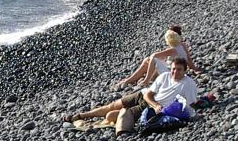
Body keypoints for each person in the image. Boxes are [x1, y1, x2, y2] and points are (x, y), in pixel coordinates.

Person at [63, 57, 198, 134]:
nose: (175, 72)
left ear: (185, 71)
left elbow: (190, 105)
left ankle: (119, 129)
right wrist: (156, 104)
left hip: (148, 109)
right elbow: (148, 94)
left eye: (179, 69)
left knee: (112, 115)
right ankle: (80, 116)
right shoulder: (164, 76)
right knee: (111, 105)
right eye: (173, 68)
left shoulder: (188, 84)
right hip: (145, 97)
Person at [119, 26, 196, 88]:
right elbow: (189, 59)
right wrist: (195, 69)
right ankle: (130, 80)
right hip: (175, 70)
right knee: (147, 60)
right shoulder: (182, 45)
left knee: (153, 59)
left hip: (170, 74)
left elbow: (154, 56)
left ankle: (145, 81)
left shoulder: (173, 49)